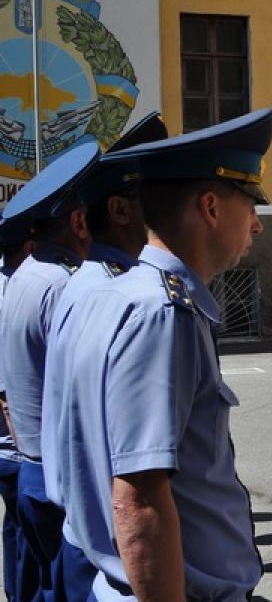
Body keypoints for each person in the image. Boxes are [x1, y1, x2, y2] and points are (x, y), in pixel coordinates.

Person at [56, 108, 272, 599]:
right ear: (211, 208)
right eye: (250, 206)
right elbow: (138, 500)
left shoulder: (121, 294)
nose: (257, 225)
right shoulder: (163, 312)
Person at [42, 112, 168, 601]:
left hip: (85, 534)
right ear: (118, 210)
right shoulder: (118, 294)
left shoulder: (87, 284)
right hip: (108, 549)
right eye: (150, 197)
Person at [0, 142, 97, 601]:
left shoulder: (24, 275)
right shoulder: (62, 284)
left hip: (32, 468)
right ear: (78, 222)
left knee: (43, 586)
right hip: (59, 479)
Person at [0, 214, 34, 601]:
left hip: (11, 447)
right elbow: (6, 393)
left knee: (15, 528)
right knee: (26, 534)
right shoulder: (12, 289)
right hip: (16, 447)